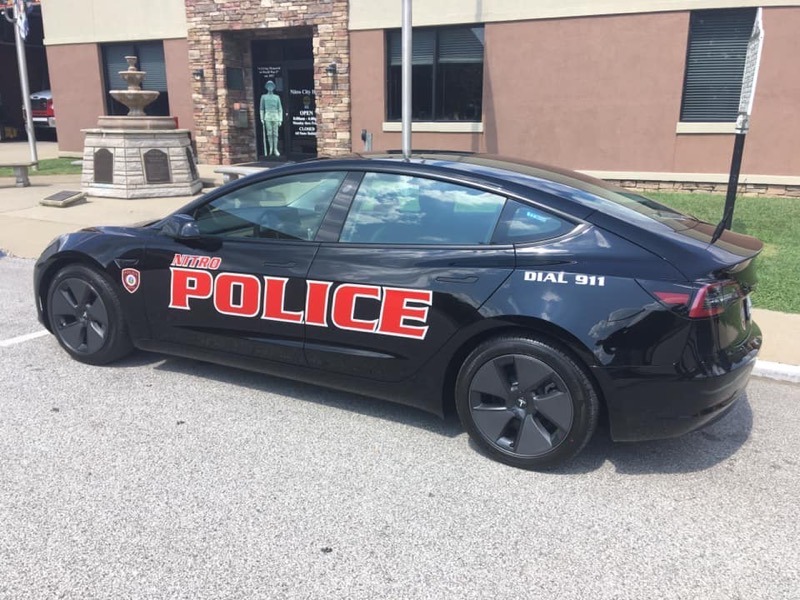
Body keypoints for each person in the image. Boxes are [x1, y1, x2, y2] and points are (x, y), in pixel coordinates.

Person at [259, 80, 283, 157]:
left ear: (273, 87)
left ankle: (275, 149)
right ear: (266, 87)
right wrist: (262, 118)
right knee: (269, 133)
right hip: (267, 116)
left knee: (275, 134)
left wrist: (280, 119)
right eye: (268, 86)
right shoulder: (263, 97)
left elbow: (280, 109)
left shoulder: (277, 97)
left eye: (271, 86)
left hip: (275, 116)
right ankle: (271, 148)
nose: (270, 87)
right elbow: (261, 109)